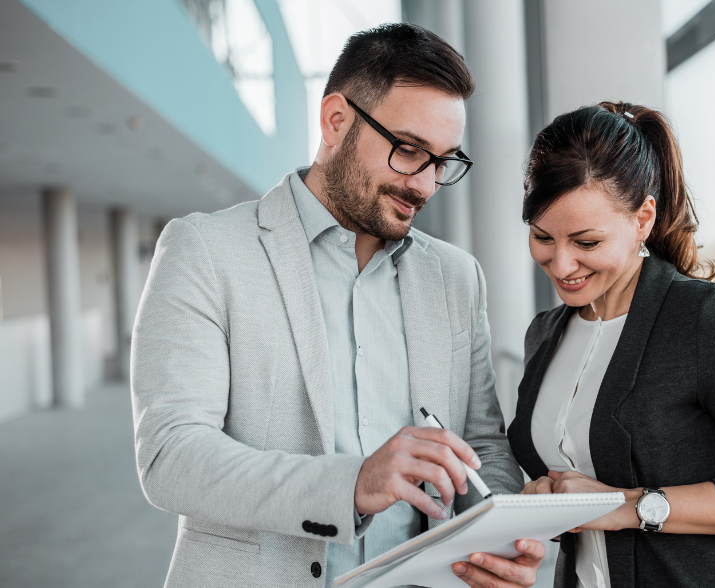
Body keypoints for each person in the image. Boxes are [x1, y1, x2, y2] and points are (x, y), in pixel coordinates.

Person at [131, 24, 543, 588]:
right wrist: (352, 484)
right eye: (408, 150)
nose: (424, 183)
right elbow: (170, 457)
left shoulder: (455, 277)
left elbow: (482, 445)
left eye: (443, 161)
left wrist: (492, 533)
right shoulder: (205, 250)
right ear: (336, 121)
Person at [507, 102, 715, 588]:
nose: (562, 264)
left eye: (587, 242)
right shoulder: (544, 334)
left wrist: (627, 506)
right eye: (542, 237)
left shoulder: (703, 319)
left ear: (643, 219)